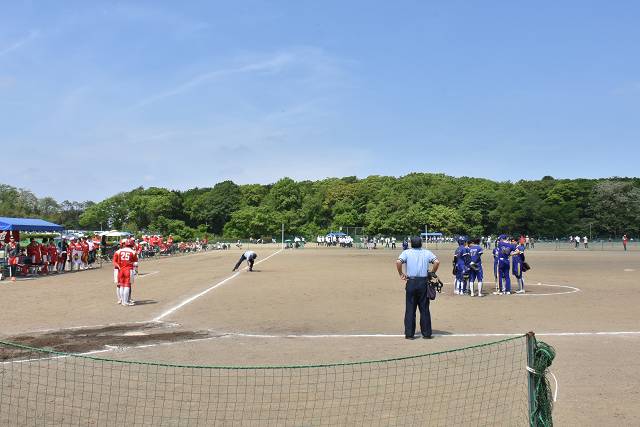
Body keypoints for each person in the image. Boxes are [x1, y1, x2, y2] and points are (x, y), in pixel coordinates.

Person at [396, 236, 440, 339]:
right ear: (421, 244)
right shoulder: (427, 252)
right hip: (423, 282)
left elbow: (399, 262)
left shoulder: (406, 252)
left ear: (411, 244)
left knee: (410, 308)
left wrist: (401, 274)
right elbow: (436, 262)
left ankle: (409, 333)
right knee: (424, 308)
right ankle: (427, 333)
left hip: (411, 281)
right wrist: (433, 272)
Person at [113, 239, 138, 306]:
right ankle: (125, 301)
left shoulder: (118, 251)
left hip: (121, 270)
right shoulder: (133, 252)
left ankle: (123, 300)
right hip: (128, 269)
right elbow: (135, 263)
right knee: (127, 285)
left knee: (121, 286)